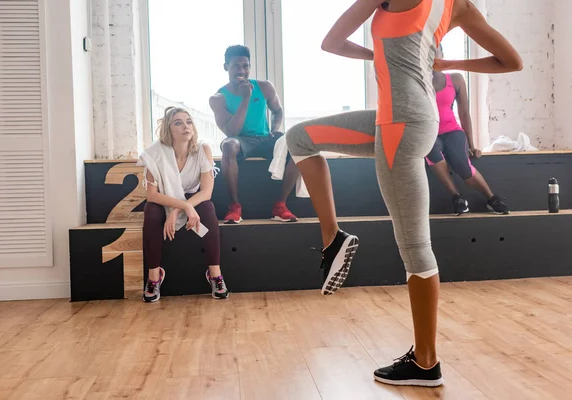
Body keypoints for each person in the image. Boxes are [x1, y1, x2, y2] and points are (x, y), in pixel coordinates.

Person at [286, 0, 522, 387]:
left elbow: (332, 42)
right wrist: (442, 65)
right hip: (400, 120)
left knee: (414, 246)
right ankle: (333, 239)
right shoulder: (455, 5)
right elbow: (511, 61)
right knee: (300, 138)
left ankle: (426, 363)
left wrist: (392, 56)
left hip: (401, 125)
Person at [139, 106, 229, 303]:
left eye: (188, 122)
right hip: (164, 200)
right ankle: (154, 277)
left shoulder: (202, 150)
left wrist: (181, 208)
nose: (185, 126)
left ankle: (215, 275)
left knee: (208, 208)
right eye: (178, 123)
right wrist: (182, 207)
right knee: (151, 211)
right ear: (168, 129)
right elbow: (152, 195)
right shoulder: (154, 153)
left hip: (192, 199)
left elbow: (206, 192)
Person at [210, 45, 300, 224]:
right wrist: (246, 98)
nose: (241, 71)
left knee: (297, 143)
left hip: (265, 139)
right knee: (228, 145)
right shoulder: (218, 98)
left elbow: (278, 111)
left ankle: (280, 206)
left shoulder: (265, 87)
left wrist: (275, 130)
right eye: (236, 66)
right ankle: (234, 207)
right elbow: (231, 131)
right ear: (226, 66)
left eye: (246, 66)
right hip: (241, 141)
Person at [428, 44, 509, 215]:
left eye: (435, 51)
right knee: (431, 150)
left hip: (452, 131)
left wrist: (472, 145)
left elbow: (464, 113)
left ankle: (491, 198)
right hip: (429, 133)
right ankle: (457, 197)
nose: (432, 56)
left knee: (462, 164)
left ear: (442, 54)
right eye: (427, 53)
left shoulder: (456, 79)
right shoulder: (418, 82)